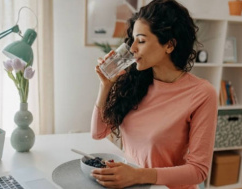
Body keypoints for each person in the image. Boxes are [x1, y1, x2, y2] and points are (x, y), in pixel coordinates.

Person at [91, 0, 218, 189]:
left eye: (141, 40)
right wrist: (105, 86)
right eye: (132, 39)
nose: (132, 48)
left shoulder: (202, 94)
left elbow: (198, 170)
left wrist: (138, 175)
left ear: (169, 45)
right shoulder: (135, 82)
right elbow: (98, 132)